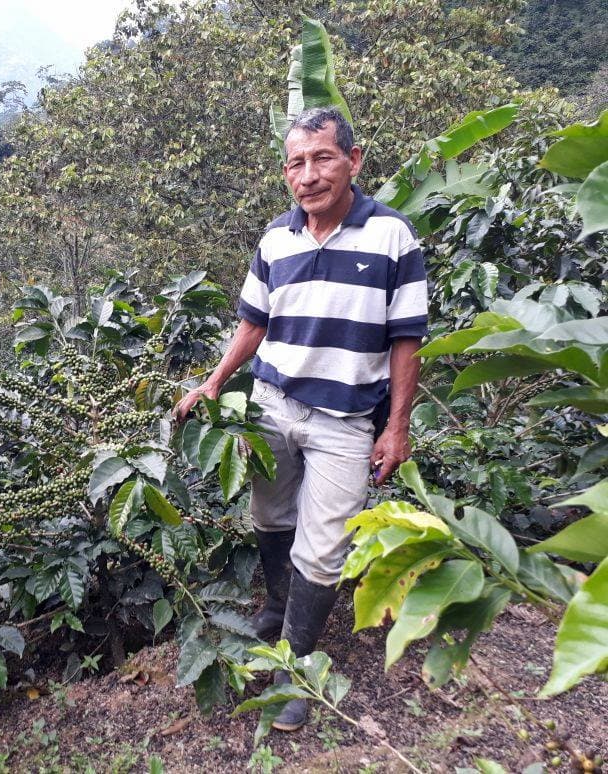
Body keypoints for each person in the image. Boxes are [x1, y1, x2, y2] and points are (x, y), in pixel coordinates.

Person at [174, 107, 427, 731]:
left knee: (326, 544)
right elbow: (254, 323)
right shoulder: (275, 240)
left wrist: (396, 427)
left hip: (345, 418)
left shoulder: (393, 237)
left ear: (353, 160)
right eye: (296, 163)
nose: (308, 174)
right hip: (272, 404)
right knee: (269, 514)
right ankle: (278, 604)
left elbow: (406, 340)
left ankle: (296, 664)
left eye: (322, 158)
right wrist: (213, 382)